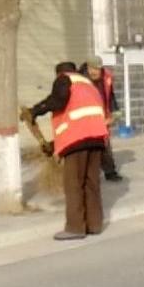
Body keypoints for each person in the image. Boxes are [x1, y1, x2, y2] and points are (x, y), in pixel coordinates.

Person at [30, 61, 110, 240]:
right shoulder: (87, 83)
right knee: (91, 183)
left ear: (59, 73)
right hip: (97, 137)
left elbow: (58, 101)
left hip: (77, 140)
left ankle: (75, 228)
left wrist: (36, 110)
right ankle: (94, 224)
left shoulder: (64, 79)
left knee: (74, 184)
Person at [82, 56, 125, 182]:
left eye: (98, 69)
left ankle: (110, 172)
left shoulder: (106, 78)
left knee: (105, 144)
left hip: (101, 116)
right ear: (88, 68)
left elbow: (110, 96)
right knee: (86, 147)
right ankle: (87, 174)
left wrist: (115, 113)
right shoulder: (80, 80)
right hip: (84, 118)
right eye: (93, 69)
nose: (96, 72)